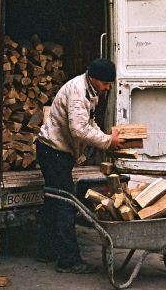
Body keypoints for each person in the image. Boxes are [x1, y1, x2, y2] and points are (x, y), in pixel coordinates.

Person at [36, 58, 124, 274]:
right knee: (66, 204)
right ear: (94, 78)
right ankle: (68, 261)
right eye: (105, 83)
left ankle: (46, 251)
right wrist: (107, 142)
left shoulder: (89, 89)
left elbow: (89, 121)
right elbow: (79, 130)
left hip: (57, 152)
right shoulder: (77, 92)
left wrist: (105, 137)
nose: (107, 87)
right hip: (53, 152)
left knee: (53, 202)